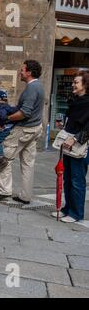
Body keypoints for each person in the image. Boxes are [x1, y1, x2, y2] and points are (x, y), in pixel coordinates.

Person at [0, 60, 45, 204]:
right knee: (28, 163)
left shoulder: (32, 88)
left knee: (4, 158)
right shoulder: (39, 86)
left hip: (24, 129)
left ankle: (4, 191)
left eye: (22, 69)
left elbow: (25, 113)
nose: (20, 72)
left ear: (29, 72)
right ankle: (25, 196)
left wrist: (7, 118)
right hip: (35, 129)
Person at [52, 71, 89, 223]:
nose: (73, 84)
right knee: (66, 177)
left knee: (77, 180)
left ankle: (76, 213)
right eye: (73, 82)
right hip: (67, 143)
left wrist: (75, 138)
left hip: (79, 145)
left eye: (76, 82)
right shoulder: (76, 101)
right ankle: (67, 209)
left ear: (85, 85)